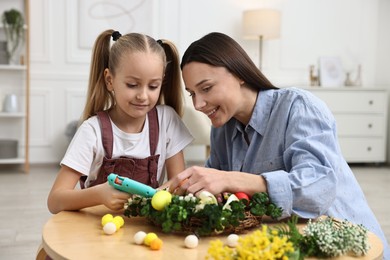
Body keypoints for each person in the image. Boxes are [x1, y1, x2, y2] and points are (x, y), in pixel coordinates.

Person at [169, 32, 390, 258]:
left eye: (206, 88)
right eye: (192, 93)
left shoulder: (298, 106)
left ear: (239, 73)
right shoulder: (222, 130)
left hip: (349, 247)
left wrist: (230, 179)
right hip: (287, 245)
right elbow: (218, 193)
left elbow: (319, 190)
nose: (197, 104)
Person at [47, 30, 193, 214]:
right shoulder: (92, 131)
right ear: (110, 80)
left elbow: (178, 187)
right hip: (96, 229)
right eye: (132, 85)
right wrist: (99, 195)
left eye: (153, 86)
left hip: (145, 227)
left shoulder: (167, 120)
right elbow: (55, 201)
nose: (143, 96)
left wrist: (166, 189)